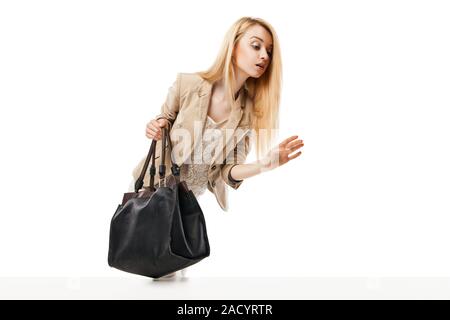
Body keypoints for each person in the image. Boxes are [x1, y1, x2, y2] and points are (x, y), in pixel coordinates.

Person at [131, 17, 304, 280]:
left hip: (188, 203)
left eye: (269, 51)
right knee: (159, 274)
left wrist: (264, 164)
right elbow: (163, 119)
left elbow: (228, 171)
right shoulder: (188, 84)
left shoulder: (249, 114)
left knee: (176, 273)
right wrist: (155, 125)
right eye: (256, 46)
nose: (264, 56)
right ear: (234, 46)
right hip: (155, 192)